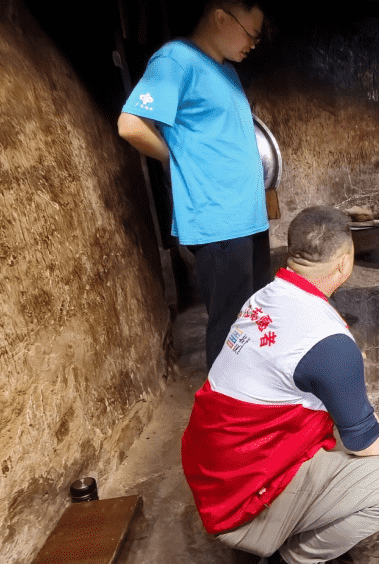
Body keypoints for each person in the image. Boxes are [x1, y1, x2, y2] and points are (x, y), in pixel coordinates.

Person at [180, 206, 379, 564]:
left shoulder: (262, 299)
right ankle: (295, 558)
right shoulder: (328, 343)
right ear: (345, 263)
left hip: (211, 469)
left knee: (336, 426)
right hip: (235, 504)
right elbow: (367, 445)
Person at [118, 0, 272, 369]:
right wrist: (175, 159)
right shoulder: (175, 60)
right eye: (251, 33)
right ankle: (226, 416)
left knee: (254, 319)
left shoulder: (227, 72)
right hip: (217, 218)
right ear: (221, 17)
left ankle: (254, 402)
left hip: (249, 217)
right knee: (230, 327)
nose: (254, 43)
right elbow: (131, 124)